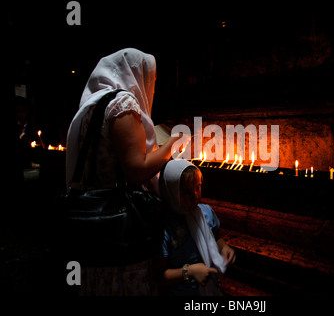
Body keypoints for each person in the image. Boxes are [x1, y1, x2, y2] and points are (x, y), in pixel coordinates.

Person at [65, 48, 186, 295]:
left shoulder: (92, 103)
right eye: (151, 79)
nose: (151, 87)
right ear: (136, 73)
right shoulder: (122, 103)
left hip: (92, 222)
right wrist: (173, 143)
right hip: (121, 225)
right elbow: (136, 170)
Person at [155, 159, 236, 296]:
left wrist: (224, 247)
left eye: (198, 187)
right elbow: (159, 277)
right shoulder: (164, 228)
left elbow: (216, 238)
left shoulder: (206, 213)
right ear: (171, 191)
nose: (195, 196)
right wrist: (189, 271)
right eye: (186, 192)